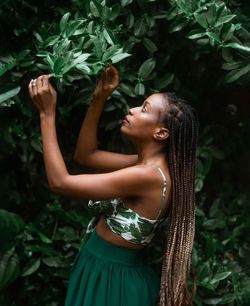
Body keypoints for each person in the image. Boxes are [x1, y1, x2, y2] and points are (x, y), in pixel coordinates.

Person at [28, 65, 198, 306]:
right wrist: (99, 97)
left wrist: (46, 114)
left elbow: (60, 182)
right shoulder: (146, 166)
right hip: (101, 270)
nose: (133, 109)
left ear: (161, 133)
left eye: (145, 109)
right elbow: (86, 155)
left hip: (112, 282)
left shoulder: (148, 176)